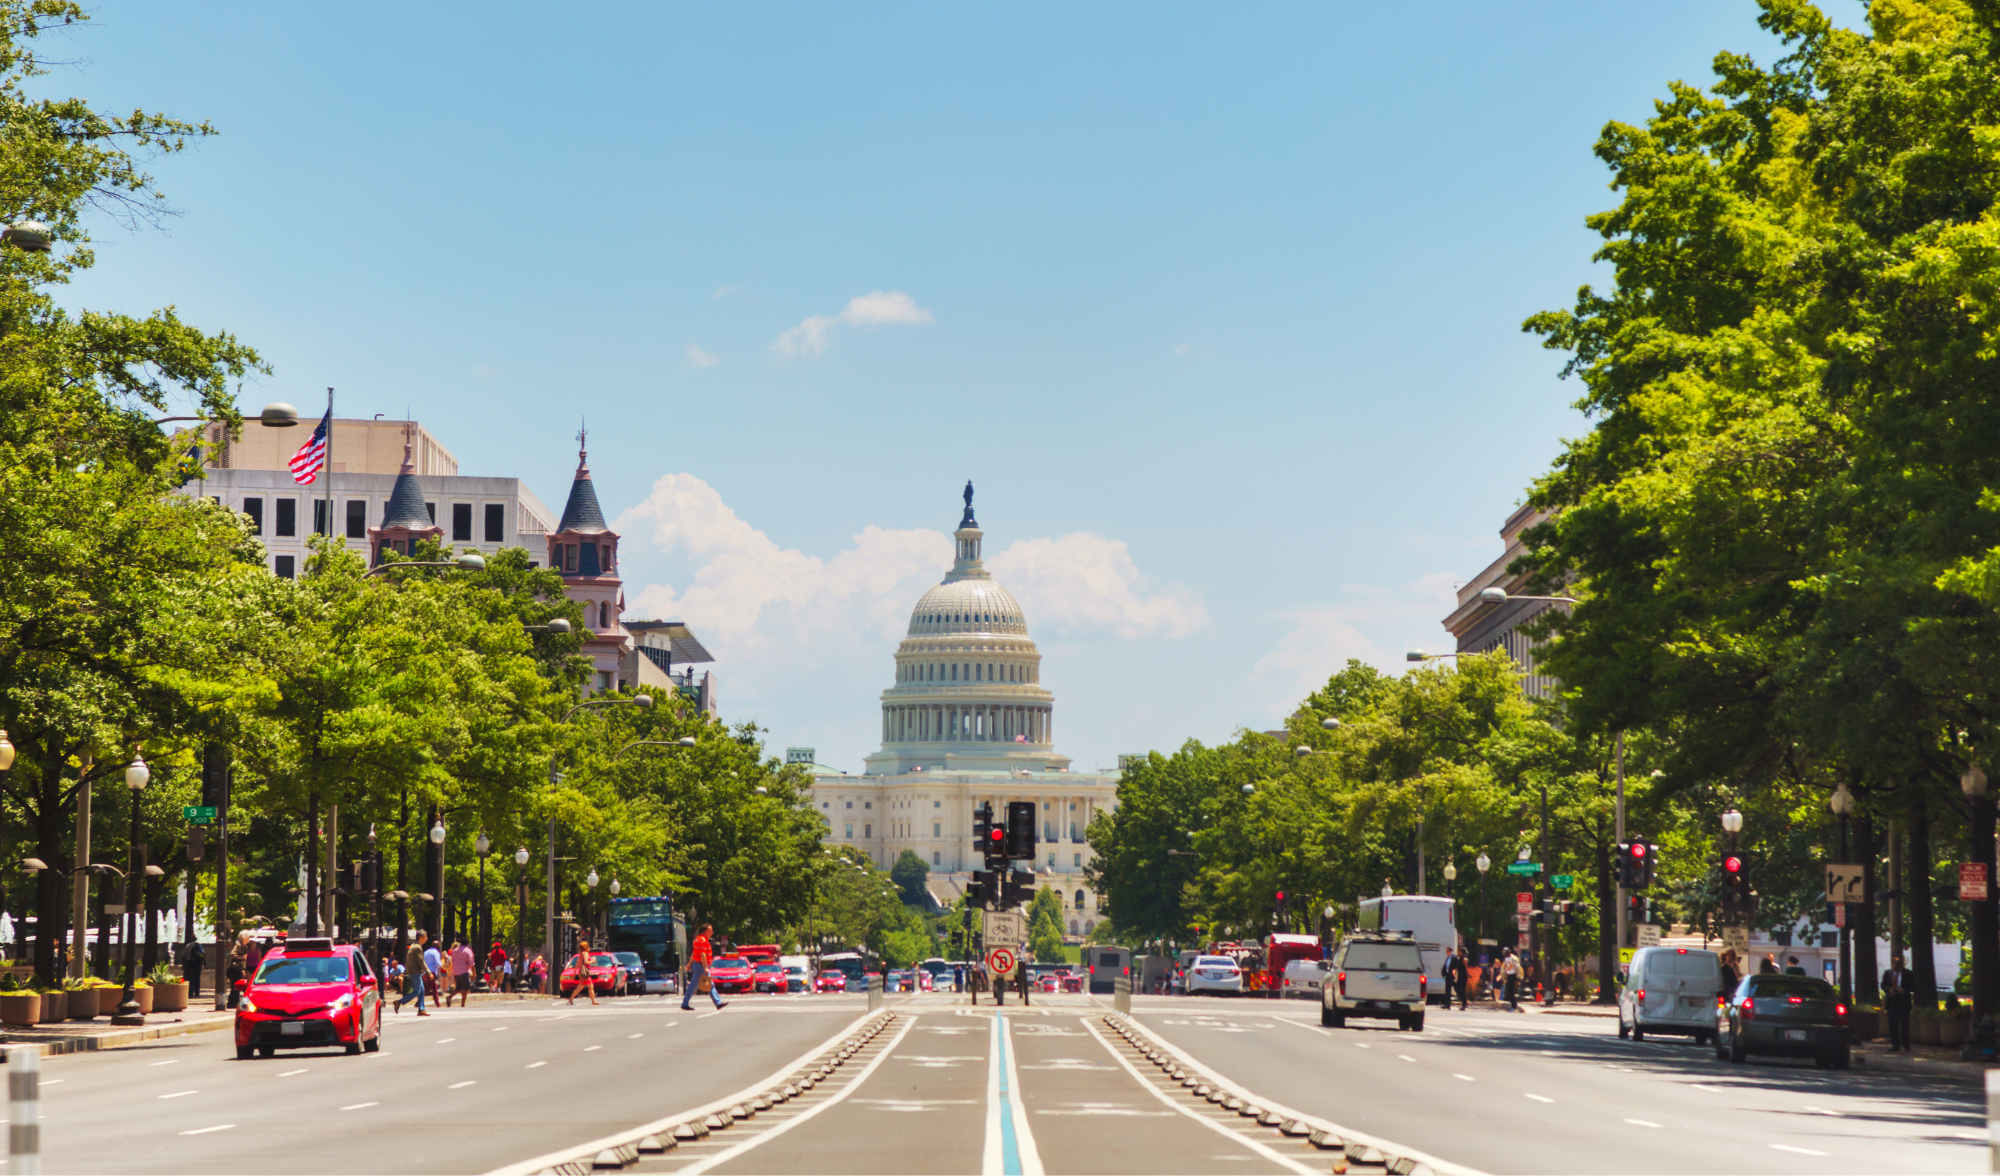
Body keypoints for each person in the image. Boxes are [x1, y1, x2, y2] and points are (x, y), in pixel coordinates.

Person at [681, 924, 727, 1011]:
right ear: (706, 931)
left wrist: (689, 964)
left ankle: (685, 1003)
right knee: (709, 985)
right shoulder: (703, 940)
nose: (712, 933)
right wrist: (705, 967)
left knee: (695, 986)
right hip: (701, 966)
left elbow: (694, 954)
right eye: (711, 931)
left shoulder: (698, 939)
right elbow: (702, 954)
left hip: (698, 965)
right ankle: (718, 1003)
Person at [395, 931, 432, 1016]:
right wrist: (428, 972)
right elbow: (421, 961)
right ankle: (399, 1002)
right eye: (425, 936)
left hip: (413, 972)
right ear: (421, 937)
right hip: (415, 973)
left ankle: (421, 1009)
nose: (427, 938)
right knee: (416, 992)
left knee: (422, 991)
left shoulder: (413, 946)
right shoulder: (417, 948)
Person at [1883, 952, 1913, 1051]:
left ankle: (1906, 1045)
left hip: (1904, 1001)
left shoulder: (1908, 974)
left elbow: (1914, 986)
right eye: (1893, 963)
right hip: (1892, 1001)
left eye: (1897, 963)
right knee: (1892, 1024)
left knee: (1904, 1024)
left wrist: (1904, 990)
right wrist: (1889, 990)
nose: (1895, 965)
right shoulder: (1888, 973)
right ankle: (1895, 1045)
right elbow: (1883, 985)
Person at [567, 938, 601, 1007]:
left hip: (582, 972)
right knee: (584, 987)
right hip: (585, 972)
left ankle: (571, 999)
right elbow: (586, 962)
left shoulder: (581, 953)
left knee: (585, 986)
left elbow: (578, 963)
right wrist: (592, 961)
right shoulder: (585, 953)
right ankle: (592, 1001)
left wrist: (575, 971)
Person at [448, 939, 475, 1007]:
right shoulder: (468, 951)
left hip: (456, 971)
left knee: (458, 987)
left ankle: (449, 997)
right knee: (466, 988)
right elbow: (471, 962)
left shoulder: (454, 951)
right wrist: (474, 972)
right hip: (464, 971)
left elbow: (452, 960)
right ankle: (463, 1003)